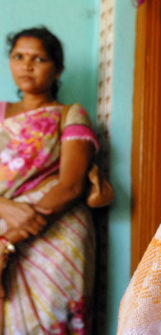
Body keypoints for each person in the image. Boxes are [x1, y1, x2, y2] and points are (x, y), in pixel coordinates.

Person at [0, 27, 97, 333]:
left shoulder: (70, 115)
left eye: (39, 58)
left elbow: (70, 186)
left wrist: (7, 243)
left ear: (58, 68)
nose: (26, 65)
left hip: (54, 237)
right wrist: (5, 208)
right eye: (19, 56)